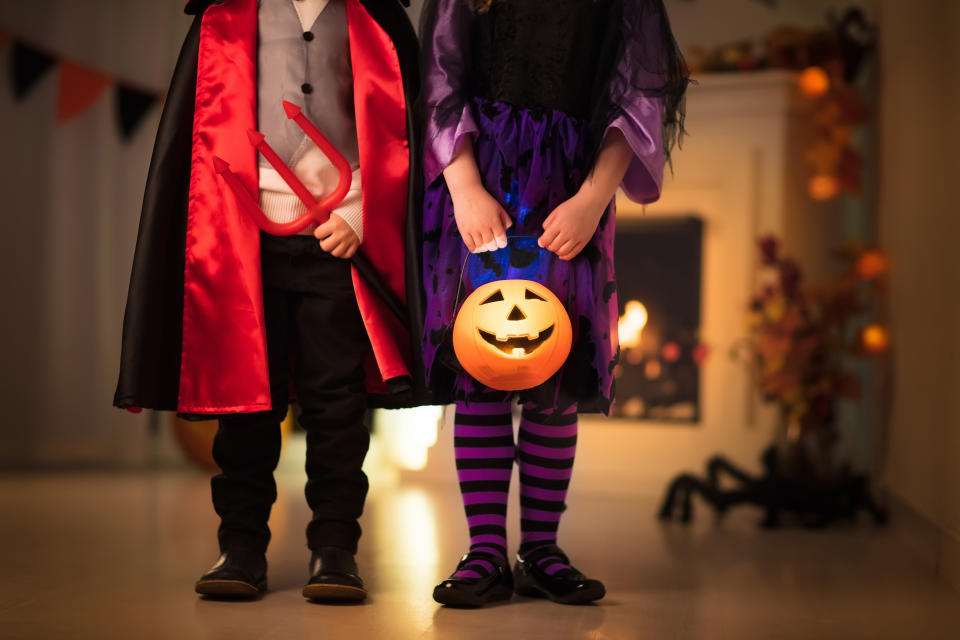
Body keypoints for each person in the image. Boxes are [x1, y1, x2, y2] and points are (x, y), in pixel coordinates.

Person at [113, 0, 422, 602]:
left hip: (339, 240)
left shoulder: (375, 14)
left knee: (338, 404)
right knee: (246, 402)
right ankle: (241, 546)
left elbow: (397, 127)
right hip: (246, 240)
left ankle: (334, 548)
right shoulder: (224, 15)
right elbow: (205, 129)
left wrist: (360, 210)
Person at [419, 0, 688, 606]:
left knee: (554, 370)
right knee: (483, 363)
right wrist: (463, 189)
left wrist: (594, 199)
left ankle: (541, 547)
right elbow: (439, 78)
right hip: (481, 183)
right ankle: (484, 549)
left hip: (572, 184)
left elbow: (639, 92)